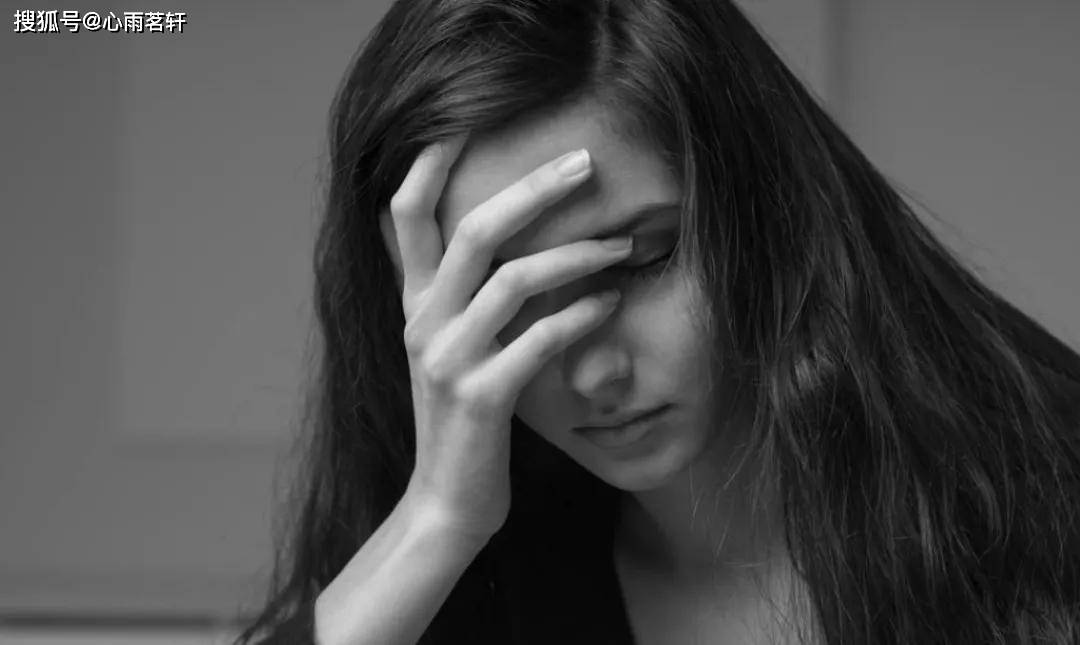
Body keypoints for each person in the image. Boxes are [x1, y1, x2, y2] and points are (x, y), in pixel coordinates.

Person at [233, 0, 1080, 643]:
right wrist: (433, 521)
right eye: (503, 301)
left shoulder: (1044, 506)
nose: (594, 370)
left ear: (766, 209)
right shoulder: (480, 578)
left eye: (642, 259)